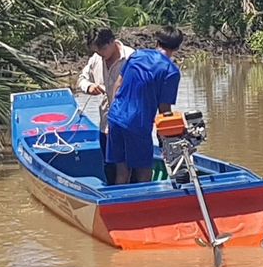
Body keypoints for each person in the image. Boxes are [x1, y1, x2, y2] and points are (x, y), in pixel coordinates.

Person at [104, 26, 184, 185]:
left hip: (115, 117)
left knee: (122, 171)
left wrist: (110, 117)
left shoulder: (137, 55)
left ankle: (121, 206)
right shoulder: (170, 71)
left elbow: (118, 85)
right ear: (177, 48)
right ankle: (144, 203)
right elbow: (164, 110)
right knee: (144, 171)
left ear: (157, 42)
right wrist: (169, 139)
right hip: (137, 124)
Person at [75, 27, 133, 178]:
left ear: (112, 41)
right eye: (97, 50)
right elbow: (81, 79)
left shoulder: (131, 58)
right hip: (105, 125)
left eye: (103, 49)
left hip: (127, 125)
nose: (101, 53)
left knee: (130, 166)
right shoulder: (96, 58)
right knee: (109, 168)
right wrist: (89, 87)